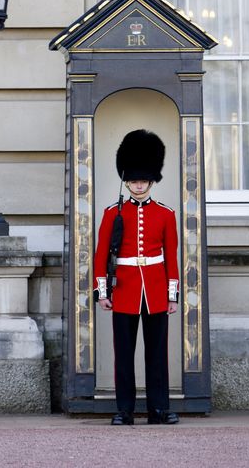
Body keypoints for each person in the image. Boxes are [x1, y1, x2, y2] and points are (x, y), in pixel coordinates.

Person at [94, 129, 180, 426]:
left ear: (152, 180)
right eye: (133, 180)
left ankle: (158, 409)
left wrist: (172, 295)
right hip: (124, 290)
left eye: (143, 180)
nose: (138, 185)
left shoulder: (166, 214)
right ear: (126, 181)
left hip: (155, 290)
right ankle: (125, 410)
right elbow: (101, 255)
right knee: (124, 357)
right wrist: (103, 292)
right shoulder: (111, 213)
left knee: (157, 355)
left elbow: (171, 257)